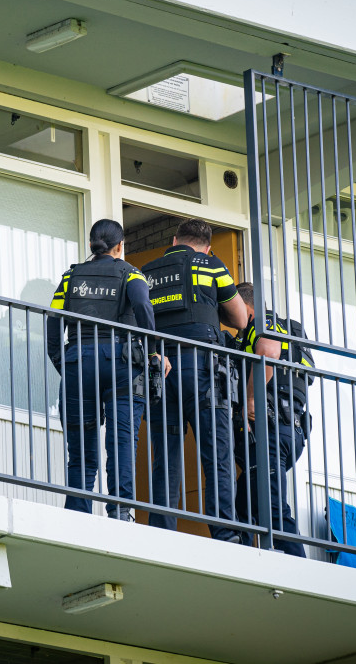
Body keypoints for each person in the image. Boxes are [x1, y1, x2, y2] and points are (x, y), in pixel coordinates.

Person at [46, 219, 168, 520]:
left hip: (78, 360)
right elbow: (143, 306)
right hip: (122, 361)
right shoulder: (130, 274)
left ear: (91, 245)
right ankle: (121, 512)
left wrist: (63, 361)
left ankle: (78, 513)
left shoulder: (70, 277)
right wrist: (152, 350)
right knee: (122, 441)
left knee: (81, 448)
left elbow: (52, 322)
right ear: (120, 246)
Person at [141, 219, 248, 542]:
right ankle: (225, 533)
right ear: (208, 246)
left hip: (161, 369)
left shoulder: (146, 271)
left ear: (173, 241)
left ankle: (162, 531)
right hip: (202, 370)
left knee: (166, 455)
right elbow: (241, 319)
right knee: (216, 452)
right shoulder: (213, 265)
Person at [233, 281, 315, 557]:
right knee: (242, 507)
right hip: (290, 431)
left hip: (269, 430)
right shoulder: (290, 328)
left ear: (245, 306)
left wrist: (251, 398)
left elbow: (268, 351)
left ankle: (300, 575)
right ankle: (242, 564)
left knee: (274, 511)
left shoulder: (263, 323)